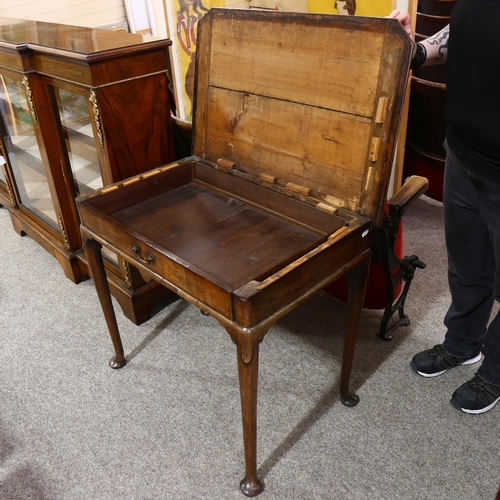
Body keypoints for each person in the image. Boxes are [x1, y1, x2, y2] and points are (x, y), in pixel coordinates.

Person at [389, 2, 500, 414]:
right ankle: (462, 343)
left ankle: (496, 369)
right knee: (468, 265)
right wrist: (416, 52)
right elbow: (465, 31)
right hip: (463, 153)